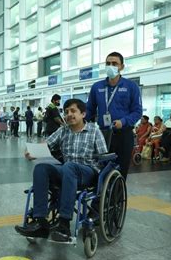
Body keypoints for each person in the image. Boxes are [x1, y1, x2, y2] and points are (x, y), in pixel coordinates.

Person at [14, 99, 107, 242]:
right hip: (67, 171)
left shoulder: (94, 130)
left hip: (87, 172)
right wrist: (33, 152)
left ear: (83, 114)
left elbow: (104, 157)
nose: (69, 114)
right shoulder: (63, 130)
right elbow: (47, 143)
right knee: (41, 168)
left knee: (69, 166)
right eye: (66, 111)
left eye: (73, 111)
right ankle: (40, 222)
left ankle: (64, 224)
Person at [85, 52, 142, 180]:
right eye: (108, 63)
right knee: (100, 170)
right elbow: (89, 110)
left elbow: (137, 111)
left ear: (121, 66)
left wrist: (124, 121)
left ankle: (116, 198)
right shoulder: (97, 87)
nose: (111, 66)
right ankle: (100, 199)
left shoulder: (131, 86)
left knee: (120, 172)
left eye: (114, 63)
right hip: (102, 135)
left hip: (124, 134)